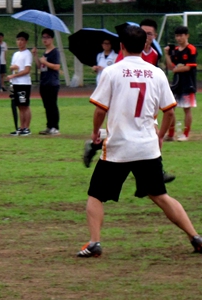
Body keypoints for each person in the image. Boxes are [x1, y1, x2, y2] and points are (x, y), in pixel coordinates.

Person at [77, 25, 202, 258]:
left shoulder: (112, 72)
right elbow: (170, 113)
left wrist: (95, 132)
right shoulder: (157, 73)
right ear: (145, 46)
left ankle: (95, 242)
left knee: (96, 195)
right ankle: (195, 236)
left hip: (119, 148)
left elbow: (99, 111)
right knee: (160, 195)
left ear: (121, 46)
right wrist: (161, 137)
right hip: (147, 146)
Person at [164, 26, 196, 142]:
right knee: (170, 108)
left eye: (181, 35)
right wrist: (167, 54)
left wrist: (176, 69)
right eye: (177, 36)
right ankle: (171, 133)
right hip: (176, 84)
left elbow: (188, 67)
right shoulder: (175, 50)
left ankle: (186, 134)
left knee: (186, 109)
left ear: (187, 36)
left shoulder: (191, 49)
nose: (179, 38)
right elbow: (170, 66)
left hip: (188, 84)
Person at [5, 32, 33, 135]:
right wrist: (13, 71)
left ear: (26, 41)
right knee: (19, 106)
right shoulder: (16, 54)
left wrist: (13, 76)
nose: (20, 42)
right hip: (16, 83)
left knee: (25, 105)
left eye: (22, 40)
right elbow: (14, 67)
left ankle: (27, 127)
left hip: (24, 83)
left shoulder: (27, 54)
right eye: (18, 40)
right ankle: (21, 127)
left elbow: (27, 70)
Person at [36, 29, 61, 135]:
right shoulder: (44, 53)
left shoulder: (55, 52)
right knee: (46, 106)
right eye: (43, 37)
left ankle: (55, 127)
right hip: (44, 81)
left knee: (52, 105)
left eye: (47, 37)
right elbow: (40, 66)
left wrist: (45, 62)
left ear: (52, 39)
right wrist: (36, 56)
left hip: (52, 82)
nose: (45, 39)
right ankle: (49, 126)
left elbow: (56, 66)